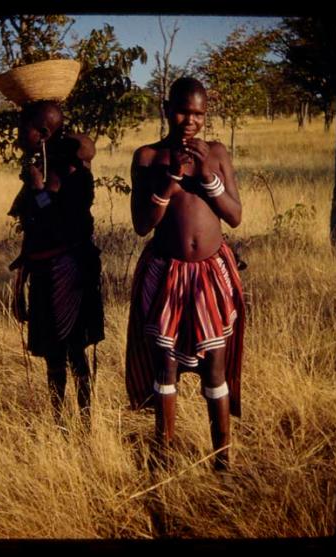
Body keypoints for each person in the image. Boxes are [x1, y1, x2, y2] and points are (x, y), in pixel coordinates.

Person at [125, 77, 245, 470]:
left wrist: (209, 180)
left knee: (214, 364)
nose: (190, 121)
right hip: (166, 272)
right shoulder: (147, 156)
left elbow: (235, 216)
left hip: (210, 273)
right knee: (167, 365)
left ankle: (222, 459)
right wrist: (171, 176)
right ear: (165, 107)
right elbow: (143, 223)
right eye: (182, 111)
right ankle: (164, 454)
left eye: (198, 114)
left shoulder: (217, 152)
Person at [9, 99, 104, 432]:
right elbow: (35, 227)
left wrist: (38, 188)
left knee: (74, 351)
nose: (19, 135)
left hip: (69, 272)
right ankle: (59, 423)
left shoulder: (72, 173)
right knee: (52, 354)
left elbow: (60, 223)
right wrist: (21, 274)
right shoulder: (43, 167)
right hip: (44, 273)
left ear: (44, 132)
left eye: (25, 129)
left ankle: (86, 420)